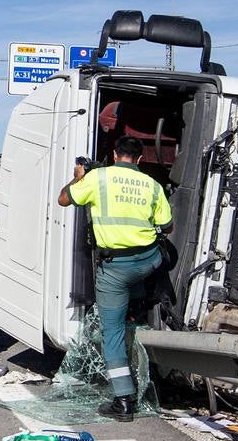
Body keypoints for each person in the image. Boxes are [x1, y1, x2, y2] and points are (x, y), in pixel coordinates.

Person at [57, 136, 173, 421]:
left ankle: (123, 399)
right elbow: (167, 228)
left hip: (116, 268)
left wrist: (77, 178)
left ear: (114, 154)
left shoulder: (97, 178)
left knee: (113, 334)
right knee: (142, 276)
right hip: (148, 262)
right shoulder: (153, 185)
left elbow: (63, 199)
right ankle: (135, 306)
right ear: (140, 159)